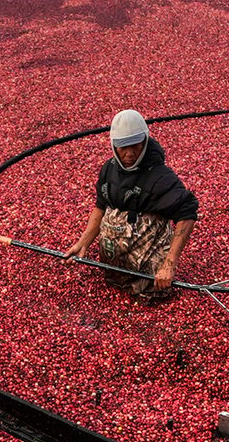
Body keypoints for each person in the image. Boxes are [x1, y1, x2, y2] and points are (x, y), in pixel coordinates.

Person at [64, 109, 198, 302]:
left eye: (135, 146)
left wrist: (169, 264)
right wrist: (83, 243)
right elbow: (101, 205)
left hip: (148, 266)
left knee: (152, 294)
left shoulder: (160, 178)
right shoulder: (109, 169)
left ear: (144, 141)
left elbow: (187, 213)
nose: (129, 153)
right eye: (123, 147)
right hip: (114, 265)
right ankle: (119, 271)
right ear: (113, 145)